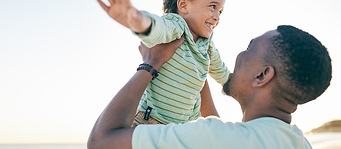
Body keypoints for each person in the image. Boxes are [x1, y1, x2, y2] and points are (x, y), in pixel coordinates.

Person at [87, 25, 332, 149]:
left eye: (249, 48)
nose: (239, 55)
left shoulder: (218, 138)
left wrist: (151, 64)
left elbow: (101, 141)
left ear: (262, 75)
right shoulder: (299, 142)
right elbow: (220, 132)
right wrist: (196, 66)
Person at [96, 0, 230, 125]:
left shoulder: (206, 46)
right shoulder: (176, 26)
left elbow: (223, 74)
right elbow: (157, 27)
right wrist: (136, 19)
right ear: (183, 5)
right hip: (149, 122)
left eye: (220, 11)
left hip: (180, 128)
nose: (217, 16)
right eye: (213, 7)